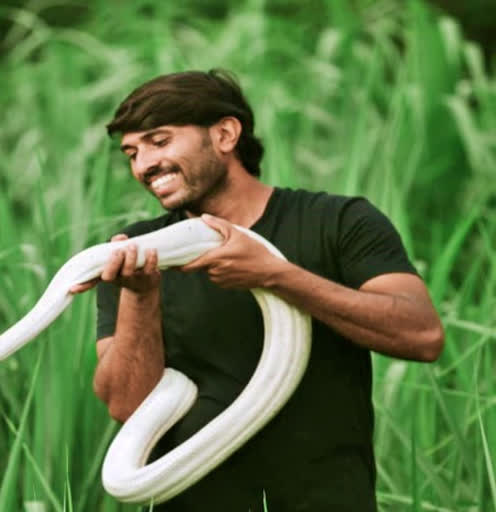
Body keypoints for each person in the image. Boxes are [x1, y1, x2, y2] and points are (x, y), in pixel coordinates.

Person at [69, 69, 444, 511]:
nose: (143, 165)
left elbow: (422, 335)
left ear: (226, 134)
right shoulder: (140, 252)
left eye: (159, 141)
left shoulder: (338, 221)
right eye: (131, 153)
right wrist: (140, 294)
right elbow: (126, 405)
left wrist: (274, 274)